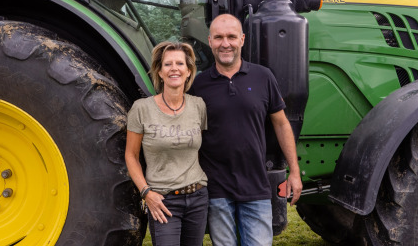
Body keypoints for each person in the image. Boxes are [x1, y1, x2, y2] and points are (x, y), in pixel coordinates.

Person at [189, 14, 303, 246]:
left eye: (231, 36)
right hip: (217, 188)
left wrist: (294, 171)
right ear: (210, 41)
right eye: (219, 37)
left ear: (242, 39)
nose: (225, 43)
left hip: (256, 185)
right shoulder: (198, 84)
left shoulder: (263, 77)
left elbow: (281, 124)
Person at [125, 41, 208, 246]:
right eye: (167, 64)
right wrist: (147, 193)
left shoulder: (198, 105)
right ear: (160, 72)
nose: (174, 69)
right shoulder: (142, 108)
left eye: (180, 64)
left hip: (197, 196)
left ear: (188, 72)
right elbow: (131, 155)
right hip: (163, 200)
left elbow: (198, 149)